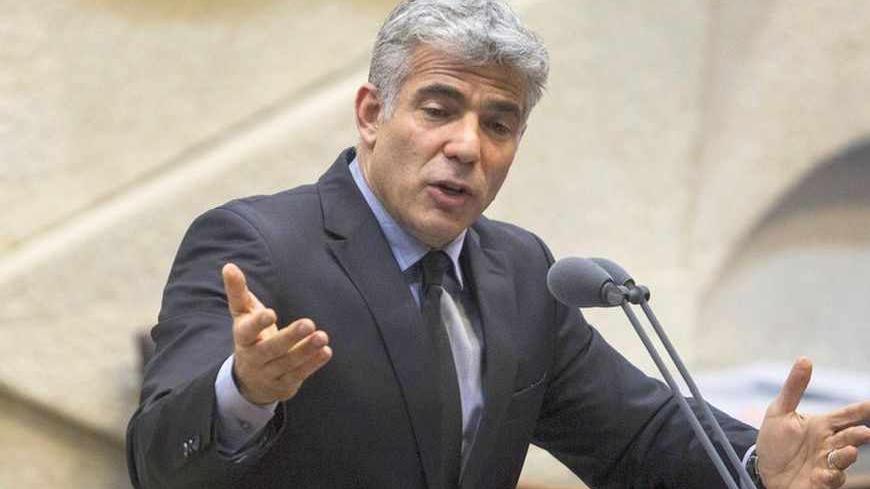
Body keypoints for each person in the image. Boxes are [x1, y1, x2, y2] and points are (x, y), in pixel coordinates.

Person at [126, 1, 870, 488]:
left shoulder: (520, 271)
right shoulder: (257, 244)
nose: (465, 146)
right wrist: (243, 392)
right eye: (439, 108)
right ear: (371, 113)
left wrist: (752, 460)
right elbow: (155, 457)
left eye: (499, 124)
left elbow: (634, 431)